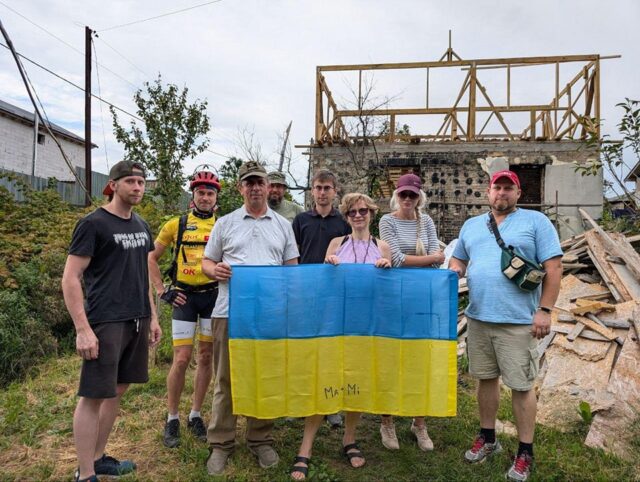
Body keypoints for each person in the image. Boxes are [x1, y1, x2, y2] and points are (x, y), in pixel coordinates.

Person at [449, 169, 562, 481]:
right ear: (488, 193)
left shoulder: (536, 223)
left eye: (508, 188)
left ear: (518, 193)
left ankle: (525, 450)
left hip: (518, 321)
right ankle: (488, 437)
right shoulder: (472, 226)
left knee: (522, 386)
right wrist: (456, 268)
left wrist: (545, 310)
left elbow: (553, 267)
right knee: (485, 379)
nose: (502, 193)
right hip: (479, 317)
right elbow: (458, 259)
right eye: (497, 188)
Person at [61, 160, 162, 482]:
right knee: (93, 396)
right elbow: (71, 277)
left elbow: (142, 275)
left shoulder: (142, 225)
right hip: (105, 321)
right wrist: (82, 329)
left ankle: (99, 457)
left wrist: (153, 317)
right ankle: (85, 473)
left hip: (136, 318)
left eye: (142, 182)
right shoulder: (94, 224)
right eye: (130, 181)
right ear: (113, 185)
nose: (137, 187)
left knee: (117, 389)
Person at [201, 160, 299, 476]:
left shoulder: (283, 226)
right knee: (226, 379)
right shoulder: (225, 223)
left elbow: (292, 269)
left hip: (268, 314)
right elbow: (207, 262)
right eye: (249, 182)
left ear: (269, 187)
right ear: (240, 187)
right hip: (229, 311)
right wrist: (214, 270)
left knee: (264, 376)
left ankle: (260, 438)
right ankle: (221, 443)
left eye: (260, 182)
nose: (255, 187)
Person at [291, 193, 392, 481]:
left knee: (356, 381)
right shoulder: (337, 244)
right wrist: (330, 264)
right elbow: (324, 283)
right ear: (346, 217)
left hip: (366, 325)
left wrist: (386, 270)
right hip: (336, 323)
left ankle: (349, 438)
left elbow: (386, 291)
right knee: (324, 378)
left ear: (371, 213)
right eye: (352, 212)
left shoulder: (382, 246)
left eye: (363, 211)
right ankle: (306, 446)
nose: (358, 216)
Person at [148, 170, 220, 448]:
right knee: (181, 359)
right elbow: (151, 258)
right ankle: (172, 417)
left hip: (213, 298)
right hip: (184, 298)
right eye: (200, 192)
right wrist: (162, 290)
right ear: (193, 196)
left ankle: (195, 414)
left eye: (210, 193)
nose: (205, 197)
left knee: (205, 356)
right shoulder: (175, 224)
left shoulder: (222, 225)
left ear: (216, 199)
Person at [377, 172, 445, 452]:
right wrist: (430, 259)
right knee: (390, 356)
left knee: (421, 357)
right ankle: (387, 420)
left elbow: (427, 258)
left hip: (422, 298)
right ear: (396, 195)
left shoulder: (425, 221)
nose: (407, 199)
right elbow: (394, 259)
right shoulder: (386, 221)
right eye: (403, 194)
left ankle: (419, 421)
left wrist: (421, 261)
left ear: (419, 197)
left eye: (412, 195)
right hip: (393, 298)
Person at [292, 169, 351, 428]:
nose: (323, 192)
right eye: (318, 187)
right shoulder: (301, 220)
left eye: (328, 187)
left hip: (334, 295)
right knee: (305, 348)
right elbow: (291, 256)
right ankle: (303, 400)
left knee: (332, 350)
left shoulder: (344, 223)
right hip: (306, 294)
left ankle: (331, 404)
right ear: (312, 191)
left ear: (335, 191)